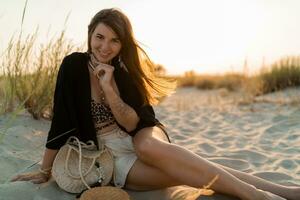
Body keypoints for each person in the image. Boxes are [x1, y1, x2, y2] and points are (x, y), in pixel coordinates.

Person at [11, 8, 299, 200]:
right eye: (99, 37)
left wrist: (110, 88)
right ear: (89, 35)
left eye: (114, 41)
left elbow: (134, 123)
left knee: (146, 146)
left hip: (142, 135)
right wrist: (46, 170)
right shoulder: (72, 66)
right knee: (186, 171)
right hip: (109, 154)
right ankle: (278, 191)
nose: (104, 46)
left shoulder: (123, 72)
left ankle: (263, 196)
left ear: (122, 45)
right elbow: (61, 122)